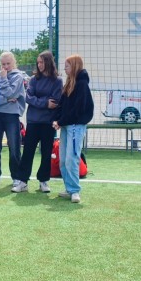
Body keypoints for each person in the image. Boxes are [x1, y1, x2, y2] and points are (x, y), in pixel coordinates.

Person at [13, 51, 62, 193]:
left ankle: (43, 181)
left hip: (48, 122)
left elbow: (55, 101)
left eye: (42, 62)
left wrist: (39, 101)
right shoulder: (34, 80)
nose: (39, 65)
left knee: (46, 153)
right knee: (28, 152)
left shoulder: (57, 81)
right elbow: (29, 98)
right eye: (38, 62)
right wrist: (45, 103)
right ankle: (23, 181)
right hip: (33, 121)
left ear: (48, 62)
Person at [52, 54, 93, 203]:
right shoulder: (69, 83)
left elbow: (77, 109)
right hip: (66, 125)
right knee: (63, 160)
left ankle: (75, 191)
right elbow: (62, 105)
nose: (65, 69)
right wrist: (57, 119)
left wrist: (61, 121)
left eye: (67, 66)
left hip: (76, 126)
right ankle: (69, 188)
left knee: (72, 158)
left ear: (74, 66)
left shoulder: (82, 85)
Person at [0, 52, 26, 188]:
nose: (6, 66)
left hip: (11, 115)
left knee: (14, 147)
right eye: (3, 64)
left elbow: (12, 93)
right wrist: (6, 100)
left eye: (8, 63)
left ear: (13, 62)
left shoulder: (18, 76)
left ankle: (16, 176)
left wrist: (4, 80)